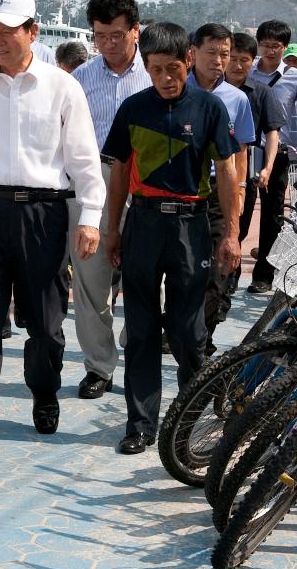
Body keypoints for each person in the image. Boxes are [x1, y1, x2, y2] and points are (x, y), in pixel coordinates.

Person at [0, 0, 105, 463]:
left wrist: (90, 218)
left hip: (44, 215)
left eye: (8, 31)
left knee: (47, 325)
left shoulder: (62, 87)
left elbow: (84, 160)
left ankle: (45, 392)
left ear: (33, 32)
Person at [101, 22, 241, 454]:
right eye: (156, 69)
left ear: (188, 62)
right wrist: (112, 229)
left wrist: (232, 233)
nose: (165, 78)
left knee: (187, 330)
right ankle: (140, 425)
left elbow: (229, 173)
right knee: (141, 329)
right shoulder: (132, 109)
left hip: (190, 227)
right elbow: (119, 173)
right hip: (142, 224)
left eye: (173, 69)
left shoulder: (210, 109)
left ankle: (188, 418)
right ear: (146, 67)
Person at [69, 0, 152, 400]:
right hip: (95, 180)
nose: (109, 44)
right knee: (91, 279)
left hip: (144, 184)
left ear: (136, 30)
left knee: (141, 277)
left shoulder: (154, 76)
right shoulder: (81, 79)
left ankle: (136, 347)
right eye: (100, 36)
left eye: (117, 35)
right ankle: (99, 366)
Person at [186, 24, 255, 351]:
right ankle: (180, 333)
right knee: (182, 273)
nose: (218, 60)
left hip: (218, 192)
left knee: (218, 272)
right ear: (193, 53)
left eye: (224, 54)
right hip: (181, 190)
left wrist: (238, 195)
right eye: (211, 52)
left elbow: (240, 152)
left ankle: (202, 338)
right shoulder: (173, 90)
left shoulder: (237, 100)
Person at [246, 21, 297, 294]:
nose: (269, 51)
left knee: (272, 215)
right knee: (241, 212)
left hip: (279, 153)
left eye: (275, 46)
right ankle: (230, 273)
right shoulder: (247, 72)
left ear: (285, 47)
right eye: (264, 45)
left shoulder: (296, 77)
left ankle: (264, 274)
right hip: (247, 150)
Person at [223, 32, 285, 294]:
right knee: (235, 222)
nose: (237, 66)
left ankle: (262, 276)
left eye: (244, 60)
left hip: (251, 165)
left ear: (252, 61)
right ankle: (228, 276)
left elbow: (272, 132)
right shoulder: (210, 89)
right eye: (233, 59)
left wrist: (269, 165)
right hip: (219, 168)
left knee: (267, 220)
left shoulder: (261, 92)